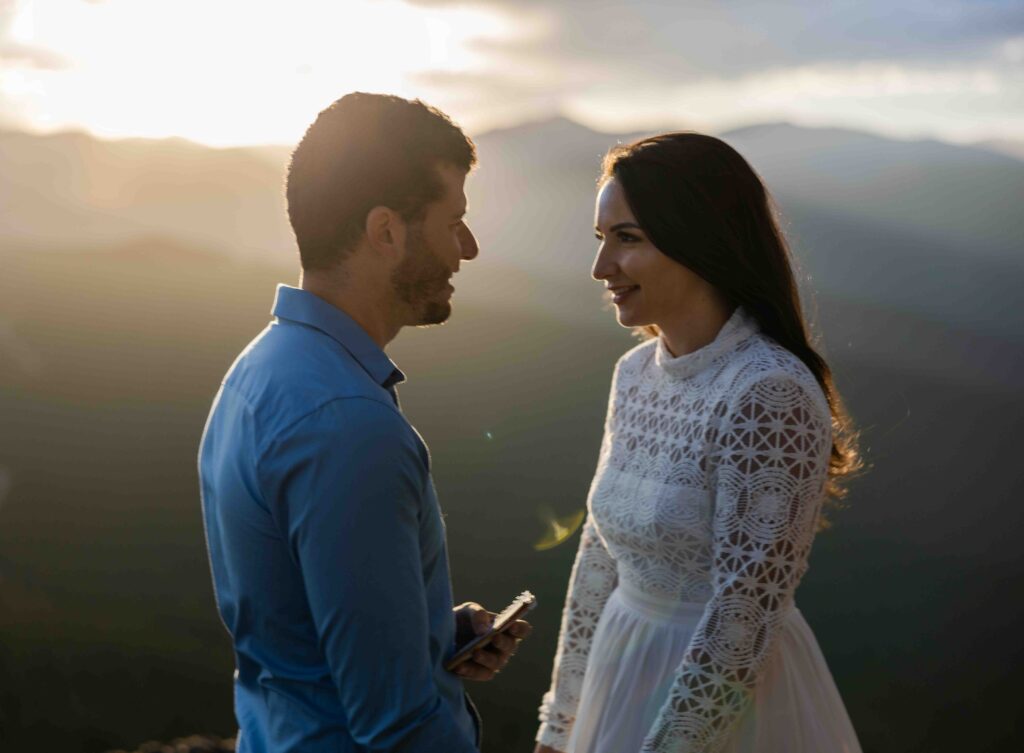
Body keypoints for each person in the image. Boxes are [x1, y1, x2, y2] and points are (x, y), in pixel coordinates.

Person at [199, 92, 530, 753]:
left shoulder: (259, 371)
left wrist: (428, 628)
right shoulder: (349, 426)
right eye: (453, 220)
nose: (467, 247)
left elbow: (294, 629)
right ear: (386, 231)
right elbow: (399, 727)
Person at [535, 133, 863, 753]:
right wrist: (561, 724)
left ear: (700, 241)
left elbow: (744, 615)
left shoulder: (769, 391)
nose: (601, 268)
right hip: (618, 669)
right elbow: (599, 560)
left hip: (730, 710)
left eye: (627, 239)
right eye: (601, 239)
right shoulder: (633, 375)